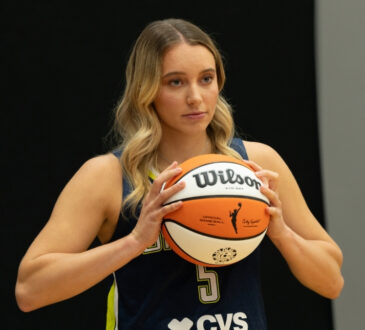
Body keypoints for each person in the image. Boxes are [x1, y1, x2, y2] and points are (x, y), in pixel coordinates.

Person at [15, 18, 344, 329]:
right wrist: (133, 242)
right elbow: (30, 290)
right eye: (175, 82)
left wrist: (282, 233)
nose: (195, 97)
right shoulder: (108, 176)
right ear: (147, 90)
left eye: (206, 78)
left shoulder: (254, 163)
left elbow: (332, 281)